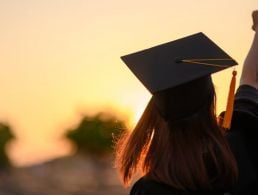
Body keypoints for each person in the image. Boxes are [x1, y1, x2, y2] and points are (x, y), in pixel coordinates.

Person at [115, 11, 258, 195]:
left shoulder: (148, 190)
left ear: (156, 114)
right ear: (210, 103)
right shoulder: (240, 153)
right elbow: (252, 80)